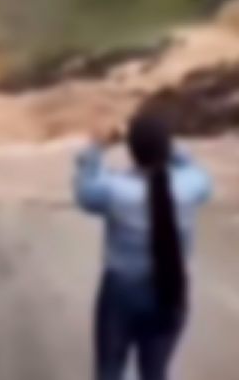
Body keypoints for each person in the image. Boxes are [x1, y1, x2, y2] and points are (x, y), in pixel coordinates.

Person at [74, 114, 212, 380]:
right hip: (171, 289)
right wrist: (164, 143)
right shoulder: (190, 185)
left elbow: (84, 191)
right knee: (155, 372)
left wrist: (97, 147)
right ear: (167, 148)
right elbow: (195, 171)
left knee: (110, 370)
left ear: (132, 151)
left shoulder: (115, 190)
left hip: (121, 291)